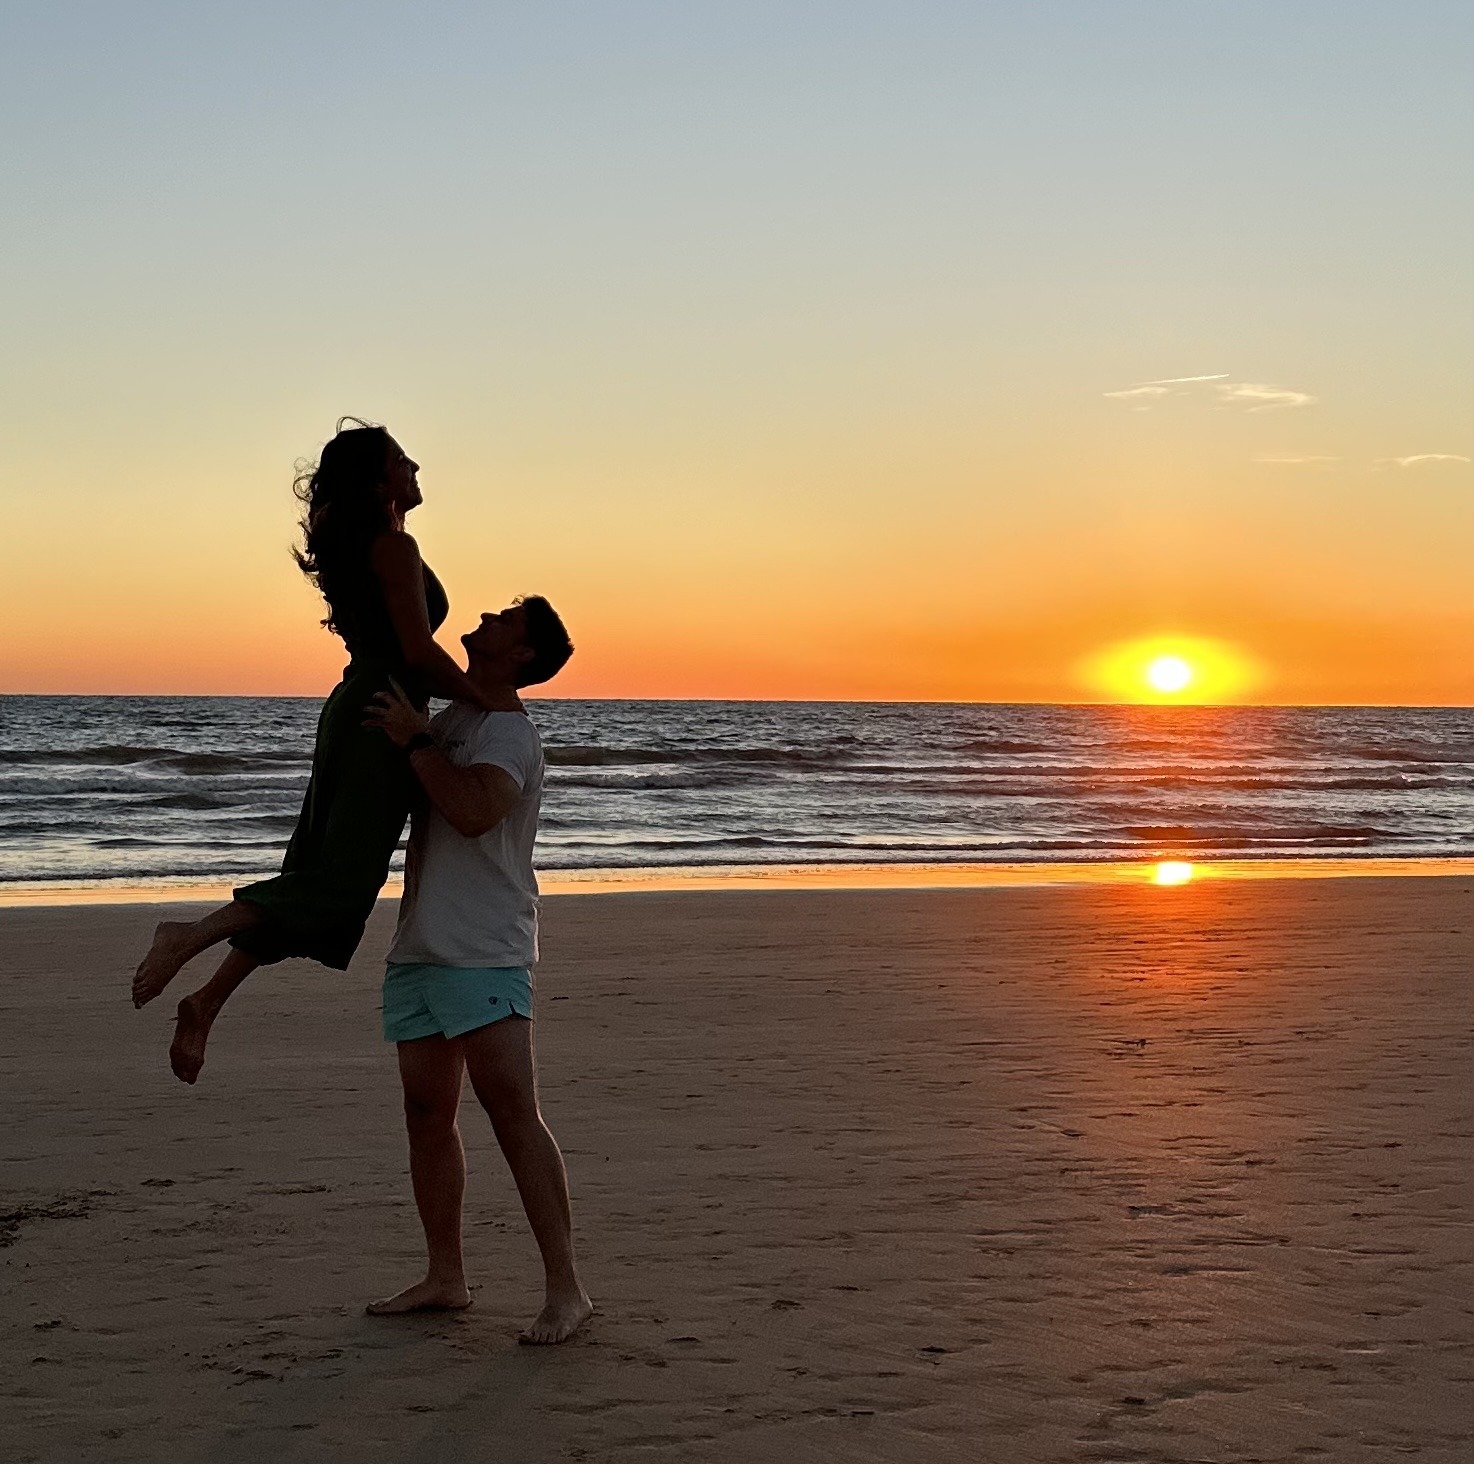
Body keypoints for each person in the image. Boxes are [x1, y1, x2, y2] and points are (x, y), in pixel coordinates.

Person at [132, 419, 495, 1084]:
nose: (415, 468)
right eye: (401, 460)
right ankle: (185, 937)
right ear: (379, 479)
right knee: (337, 885)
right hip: (380, 717)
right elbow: (416, 652)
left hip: (357, 707)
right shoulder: (392, 548)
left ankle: (207, 1003)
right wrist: (486, 699)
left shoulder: (378, 543)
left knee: (312, 873)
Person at [361, 597, 593, 1346]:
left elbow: (471, 811)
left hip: (486, 950)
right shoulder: (458, 717)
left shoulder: (508, 734)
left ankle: (567, 1291)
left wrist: (417, 743)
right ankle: (445, 1276)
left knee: (511, 1113)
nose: (486, 614)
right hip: (422, 945)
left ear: (520, 654)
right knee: (427, 1115)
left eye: (504, 618)